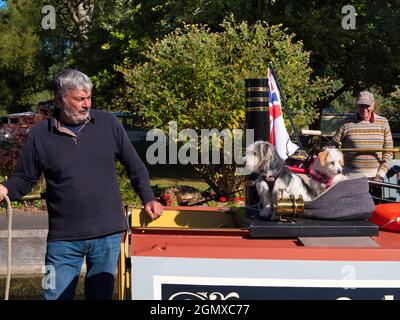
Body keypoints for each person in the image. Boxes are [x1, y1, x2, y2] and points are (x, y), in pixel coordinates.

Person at [0, 69, 163, 300]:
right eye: (79, 99)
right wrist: (5, 189)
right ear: (60, 99)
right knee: (54, 296)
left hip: (107, 235)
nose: (86, 104)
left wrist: (148, 197)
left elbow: (134, 167)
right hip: (62, 240)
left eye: (89, 98)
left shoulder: (109, 123)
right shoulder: (39, 134)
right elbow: (25, 179)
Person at [332, 90, 393, 200]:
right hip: (350, 178)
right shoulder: (346, 123)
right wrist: (339, 169)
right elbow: (334, 147)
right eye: (361, 105)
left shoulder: (383, 123)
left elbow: (388, 151)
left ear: (373, 105)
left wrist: (380, 174)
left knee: (374, 214)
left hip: (375, 179)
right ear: (357, 105)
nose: (364, 109)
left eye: (367, 105)